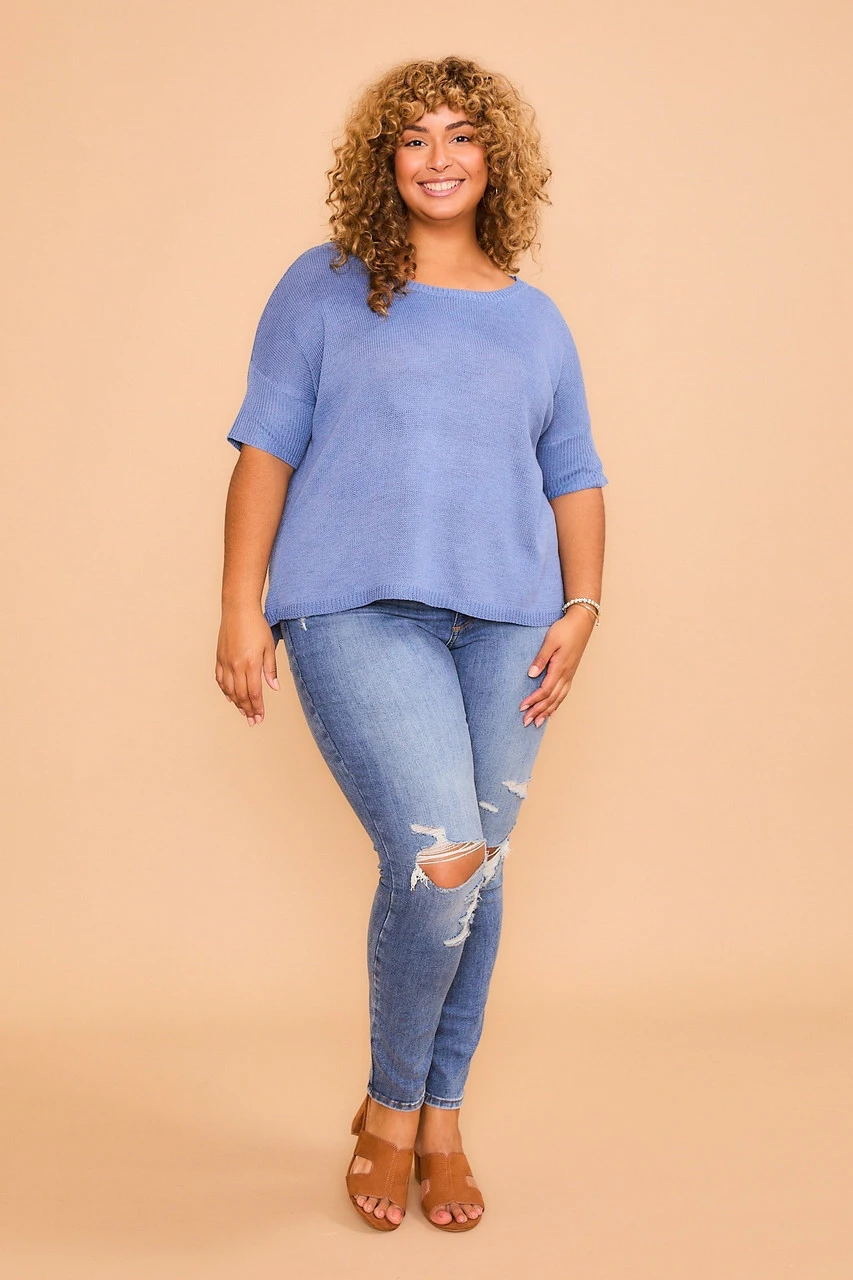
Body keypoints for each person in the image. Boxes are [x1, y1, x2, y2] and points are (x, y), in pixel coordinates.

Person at [215, 54, 608, 1234]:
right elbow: (265, 448)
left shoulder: (535, 320)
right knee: (442, 860)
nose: (439, 157)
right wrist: (239, 605)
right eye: (414, 137)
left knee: (482, 872)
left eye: (462, 136)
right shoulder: (327, 286)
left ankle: (442, 1114)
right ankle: (392, 1105)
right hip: (354, 608)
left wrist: (583, 607)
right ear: (383, 160)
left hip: (509, 622)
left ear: (496, 160)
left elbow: (574, 473)